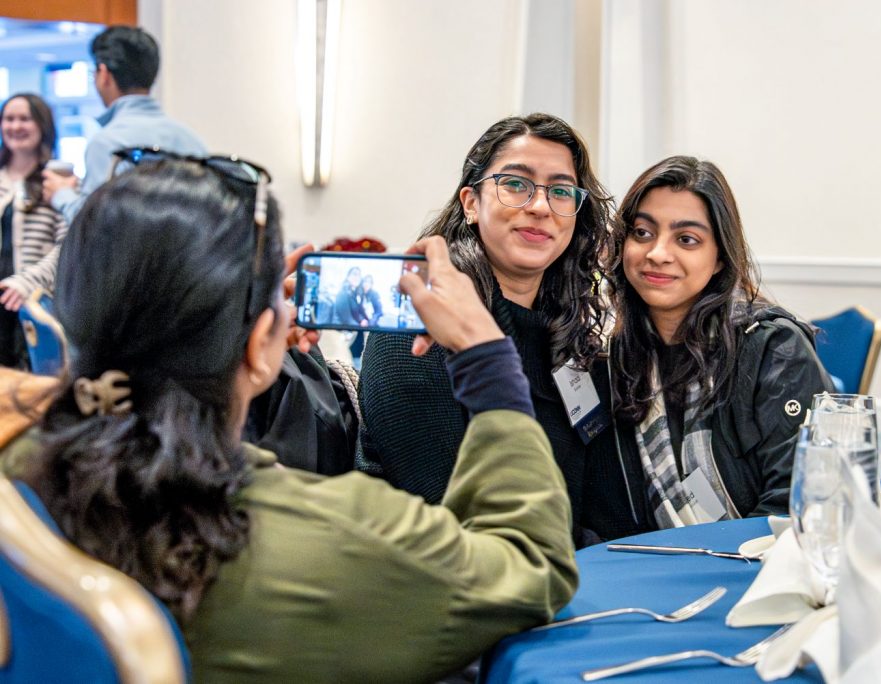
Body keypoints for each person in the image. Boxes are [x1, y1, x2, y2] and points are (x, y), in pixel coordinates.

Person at [0, 158, 576, 682]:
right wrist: (487, 358)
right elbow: (530, 566)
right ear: (259, 345)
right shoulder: (342, 540)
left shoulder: (18, 463)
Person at [357, 113, 642, 547]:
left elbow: (594, 501)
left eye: (561, 191)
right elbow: (451, 515)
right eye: (515, 184)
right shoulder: (417, 330)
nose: (541, 207)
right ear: (471, 203)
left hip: (559, 570)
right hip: (444, 584)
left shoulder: (567, 336)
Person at [606, 156, 833, 527]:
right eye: (642, 233)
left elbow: (799, 503)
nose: (657, 254)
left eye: (686, 239)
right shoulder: (613, 357)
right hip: (644, 568)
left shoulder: (773, 350)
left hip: (755, 570)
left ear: (719, 260)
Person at [42, 26, 205, 224]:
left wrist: (62, 195)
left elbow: (95, 226)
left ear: (103, 74)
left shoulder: (107, 144)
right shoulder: (191, 141)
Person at [0, 93, 67, 368]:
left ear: (43, 126)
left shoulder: (60, 183)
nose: (16, 126)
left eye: (24, 119)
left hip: (33, 307)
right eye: (9, 119)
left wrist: (28, 281)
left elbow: (68, 247)